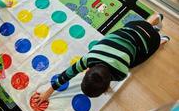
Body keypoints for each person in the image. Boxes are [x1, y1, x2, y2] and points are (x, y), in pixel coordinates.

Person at [35, 13, 170, 104]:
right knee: (142, 29)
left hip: (151, 41)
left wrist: (47, 93)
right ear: (87, 71)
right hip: (135, 26)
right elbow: (67, 74)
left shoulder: (121, 73)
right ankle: (156, 17)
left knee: (138, 59)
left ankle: (161, 40)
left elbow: (66, 75)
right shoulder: (90, 58)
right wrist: (48, 92)